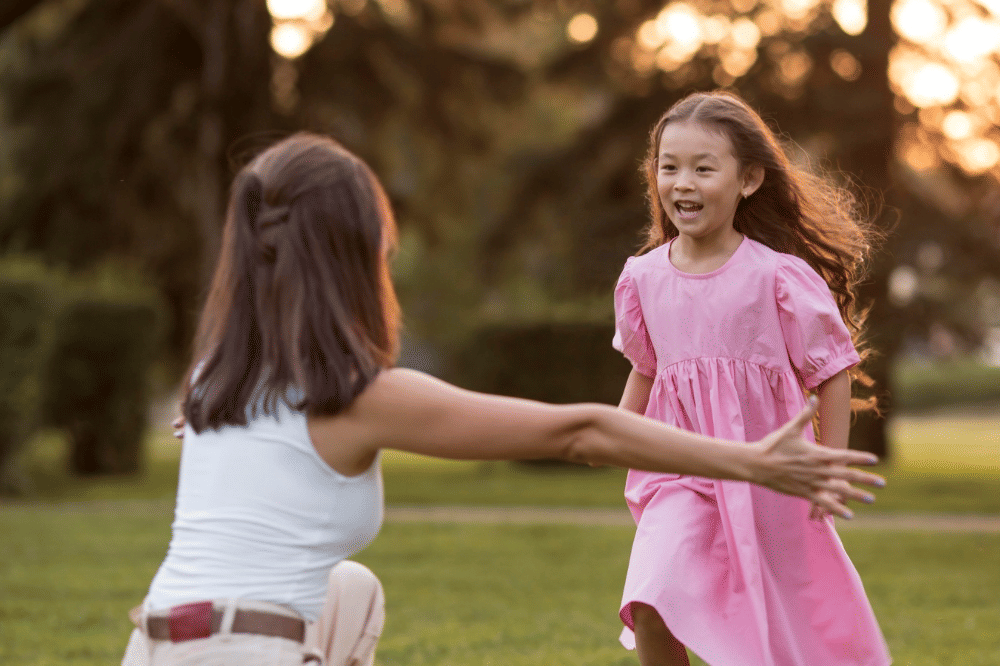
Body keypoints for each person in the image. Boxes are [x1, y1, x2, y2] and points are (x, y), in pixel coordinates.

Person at [121, 132, 884, 666]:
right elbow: (582, 431)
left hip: (155, 644)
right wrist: (752, 461)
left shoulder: (213, 380)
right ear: (352, 256)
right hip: (245, 653)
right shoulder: (359, 398)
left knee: (351, 590)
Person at [611, 90, 891, 666]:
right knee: (650, 602)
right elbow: (646, 369)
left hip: (769, 475)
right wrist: (609, 434)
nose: (682, 183)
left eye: (703, 168)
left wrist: (827, 467)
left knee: (777, 628)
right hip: (678, 473)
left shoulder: (779, 278)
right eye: (669, 167)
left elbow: (832, 371)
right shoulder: (642, 279)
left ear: (749, 180)